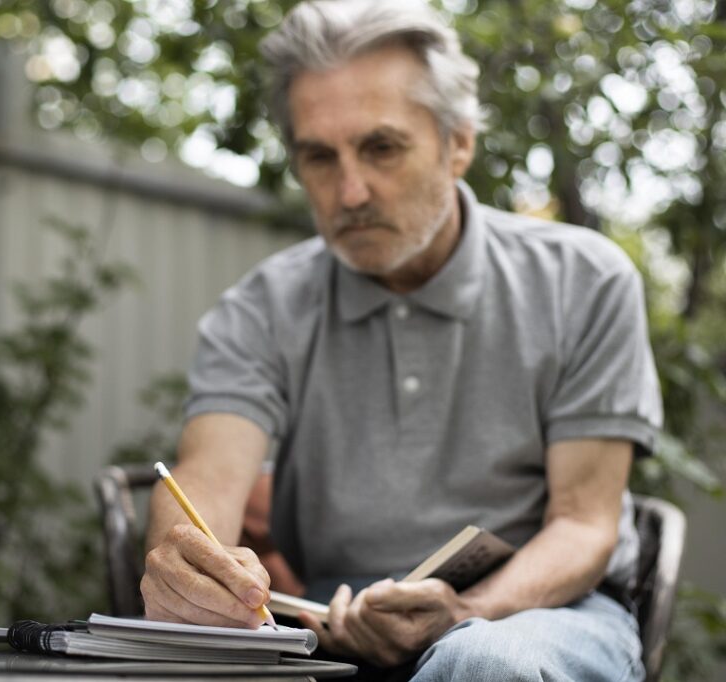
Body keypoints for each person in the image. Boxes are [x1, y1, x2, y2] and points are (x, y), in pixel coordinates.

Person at [141, 1, 662, 679]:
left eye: (381, 147)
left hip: (538, 614)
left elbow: (584, 525)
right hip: (325, 615)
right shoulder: (261, 308)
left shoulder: (583, 280)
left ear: (459, 144)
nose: (350, 190)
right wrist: (183, 562)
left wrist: (469, 610)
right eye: (319, 157)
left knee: (484, 665)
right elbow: (205, 477)